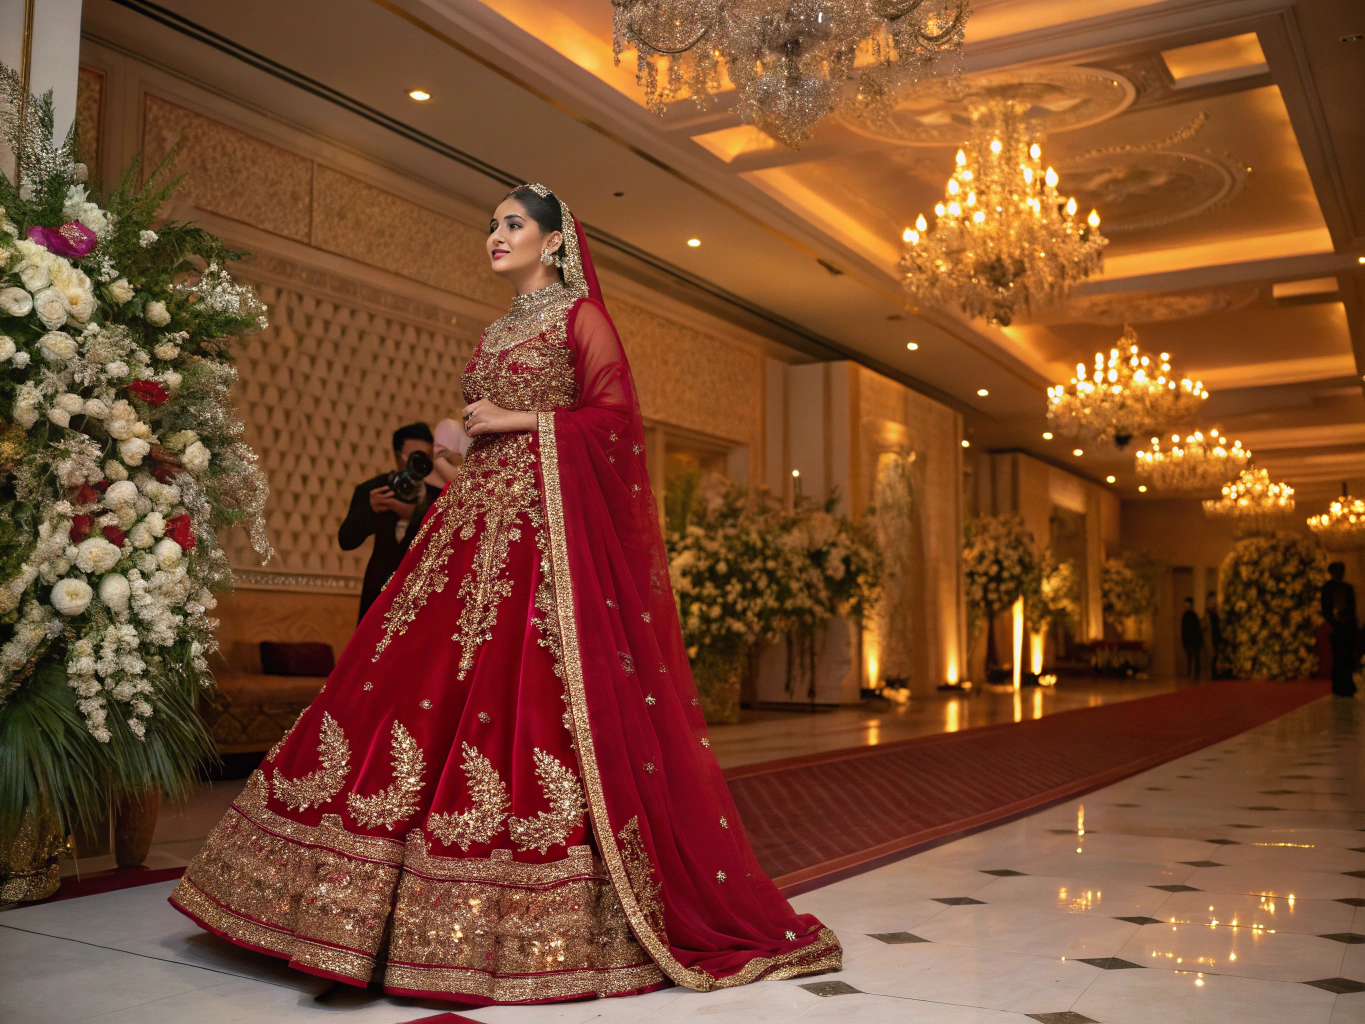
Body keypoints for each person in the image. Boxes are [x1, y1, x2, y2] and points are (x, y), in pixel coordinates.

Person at [170, 184, 838, 1003]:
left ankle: (491, 910)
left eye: (513, 224)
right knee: (406, 675)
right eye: (491, 224)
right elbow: (486, 431)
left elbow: (616, 420)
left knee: (524, 692)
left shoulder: (580, 319)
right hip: (471, 524)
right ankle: (347, 911)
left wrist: (521, 422)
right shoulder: (496, 330)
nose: (495, 234)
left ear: (553, 241)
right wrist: (466, 452)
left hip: (540, 537)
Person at [337, 423, 442, 621]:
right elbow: (346, 540)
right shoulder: (377, 489)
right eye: (413, 457)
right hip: (378, 596)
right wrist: (370, 510)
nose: (418, 465)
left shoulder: (439, 497)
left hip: (423, 600)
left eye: (425, 458)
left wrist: (415, 515)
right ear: (397, 456)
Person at [1321, 562, 1359, 697]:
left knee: (1347, 656)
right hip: (1336, 627)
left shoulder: (1347, 588)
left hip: (1347, 627)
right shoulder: (1327, 588)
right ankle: (1338, 686)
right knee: (1338, 657)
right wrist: (1332, 624)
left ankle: (1347, 685)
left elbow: (1352, 609)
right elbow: (1325, 608)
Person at [1181, 596, 1203, 679]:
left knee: (1196, 659)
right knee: (1189, 659)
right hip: (1188, 641)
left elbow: (1197, 629)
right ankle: (1190, 674)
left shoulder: (1194, 615)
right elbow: (1183, 630)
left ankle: (1196, 674)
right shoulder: (1185, 616)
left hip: (1195, 641)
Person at [1204, 591, 1223, 679]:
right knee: (1213, 655)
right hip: (1212, 636)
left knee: (1216, 654)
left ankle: (1215, 672)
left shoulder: (1215, 612)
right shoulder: (1209, 613)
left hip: (1217, 634)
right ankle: (1213, 673)